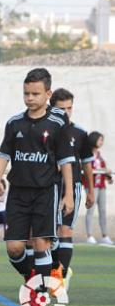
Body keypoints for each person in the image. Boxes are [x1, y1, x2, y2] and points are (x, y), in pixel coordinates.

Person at [0, 68, 74, 292]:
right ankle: (32, 276)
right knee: (14, 248)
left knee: (40, 243)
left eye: (35, 94)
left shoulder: (58, 123)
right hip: (18, 192)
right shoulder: (14, 123)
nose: (30, 98)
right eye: (26, 93)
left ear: (48, 94)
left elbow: (66, 160)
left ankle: (40, 295)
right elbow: (3, 155)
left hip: (46, 191)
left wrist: (68, 195)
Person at [49, 88, 96, 287]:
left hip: (73, 186)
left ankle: (61, 276)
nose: (66, 113)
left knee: (65, 230)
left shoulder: (80, 133)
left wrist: (91, 190)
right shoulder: (45, 130)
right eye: (61, 109)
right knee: (48, 234)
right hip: (48, 187)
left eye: (69, 108)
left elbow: (86, 164)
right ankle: (52, 269)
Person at [85, 131, 113, 245]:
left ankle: (104, 235)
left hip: (101, 185)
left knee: (102, 211)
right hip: (91, 186)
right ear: (94, 140)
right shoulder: (87, 154)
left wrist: (108, 176)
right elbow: (86, 170)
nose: (101, 142)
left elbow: (103, 169)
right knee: (90, 211)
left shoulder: (100, 155)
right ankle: (89, 235)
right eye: (100, 140)